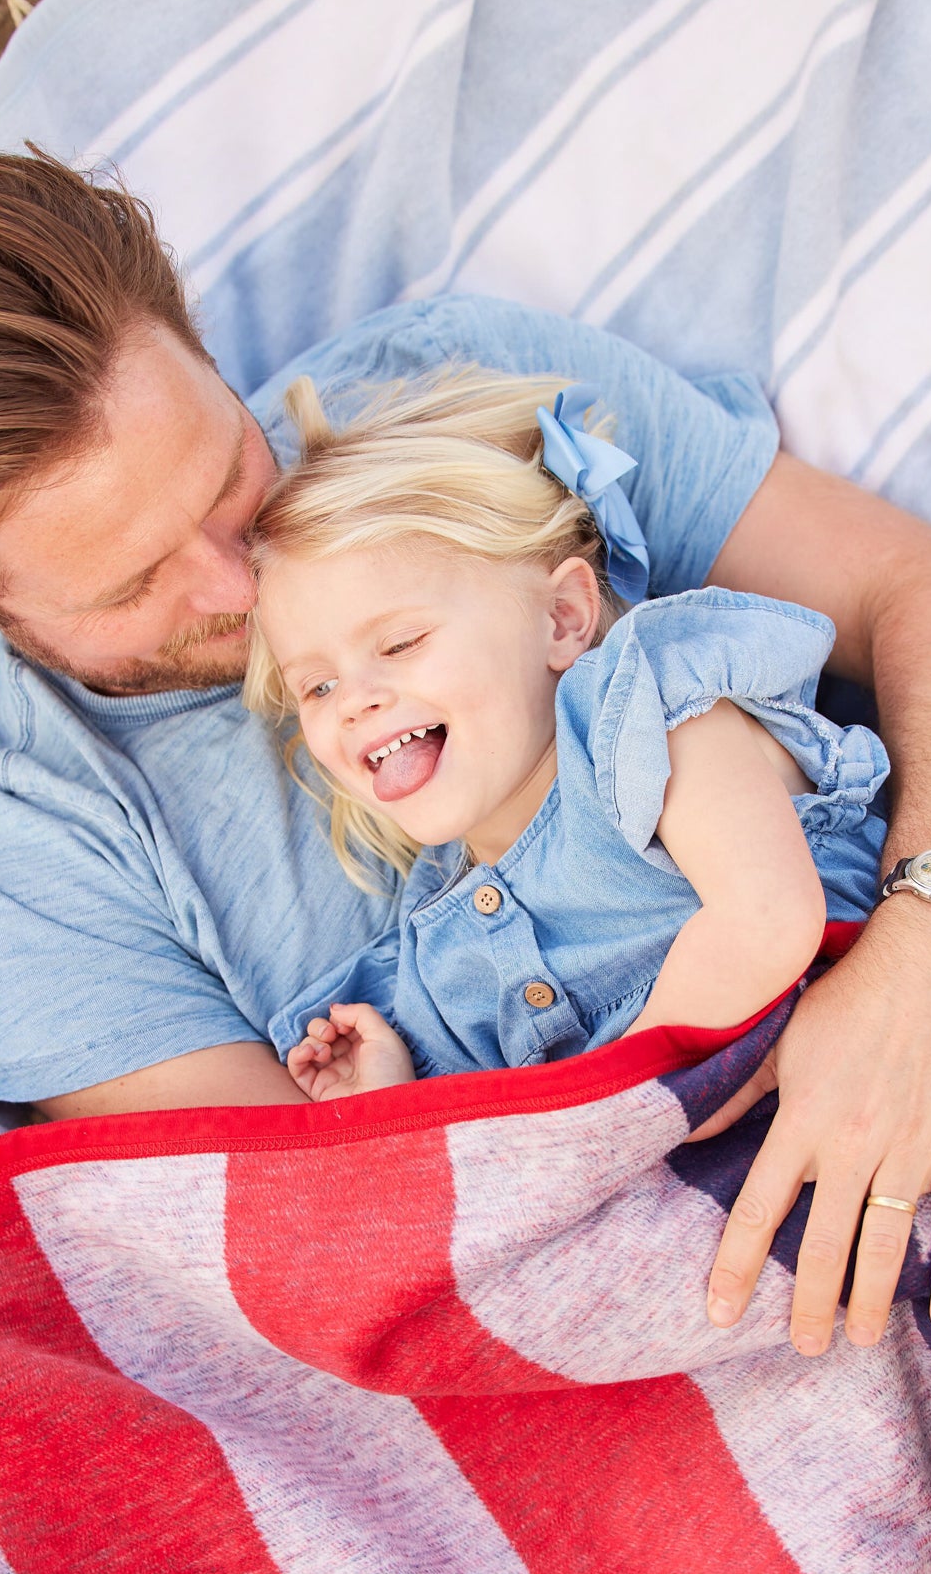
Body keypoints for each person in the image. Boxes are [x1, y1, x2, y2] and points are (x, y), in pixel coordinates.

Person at [0, 149, 931, 1357]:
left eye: (227, 472)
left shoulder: (451, 402)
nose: (241, 580)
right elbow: (345, 1244)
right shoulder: (21, 871)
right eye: (140, 579)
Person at [243, 370, 889, 1105]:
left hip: (876, 1081)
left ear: (560, 619)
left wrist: (612, 1121)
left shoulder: (656, 722)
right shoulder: (440, 944)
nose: (353, 702)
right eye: (317, 687)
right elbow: (498, 1153)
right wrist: (390, 1093)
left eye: (398, 643)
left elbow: (767, 920)